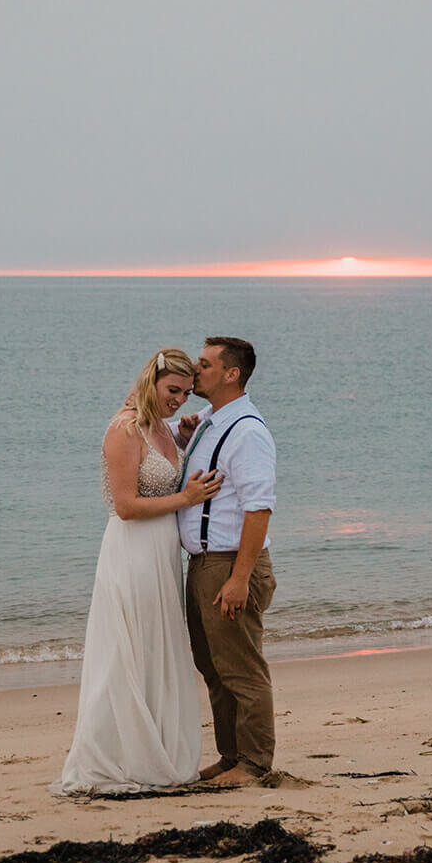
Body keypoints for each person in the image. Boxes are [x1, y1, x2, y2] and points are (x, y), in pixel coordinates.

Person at [55, 348, 223, 794]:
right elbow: (127, 506)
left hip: (163, 556)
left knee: (158, 648)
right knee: (128, 651)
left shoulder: (163, 429)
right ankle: (122, 755)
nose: (179, 401)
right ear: (151, 380)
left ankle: (159, 747)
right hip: (131, 553)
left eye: (187, 394)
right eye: (172, 391)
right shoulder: (124, 429)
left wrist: (184, 440)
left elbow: (164, 473)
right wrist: (187, 499)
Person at [177, 336, 278, 788]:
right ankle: (231, 755)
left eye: (204, 364)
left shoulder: (249, 431)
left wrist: (239, 578)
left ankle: (255, 764)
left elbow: (259, 509)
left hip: (231, 565)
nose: (195, 371)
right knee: (212, 666)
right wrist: (185, 435)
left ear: (231, 373)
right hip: (203, 563)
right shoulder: (213, 422)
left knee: (241, 667)